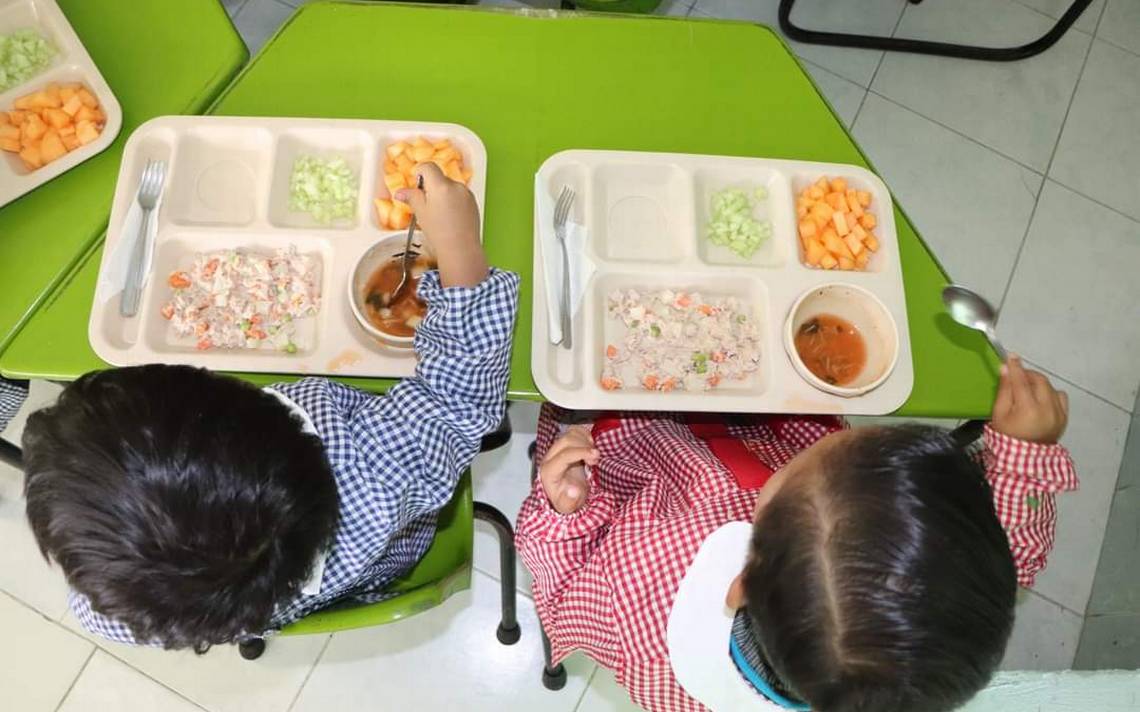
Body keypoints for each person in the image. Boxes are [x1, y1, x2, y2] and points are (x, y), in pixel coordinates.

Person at [22, 164, 519, 652]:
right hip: (394, 545)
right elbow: (456, 398)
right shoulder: (374, 476)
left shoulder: (113, 613)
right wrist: (459, 248)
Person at [517, 357, 1077, 712]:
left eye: (806, 464)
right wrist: (1024, 455)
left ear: (738, 585)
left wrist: (566, 511)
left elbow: (558, 587)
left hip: (635, 450)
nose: (837, 438)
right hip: (759, 430)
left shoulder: (639, 599)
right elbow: (1012, 554)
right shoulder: (953, 592)